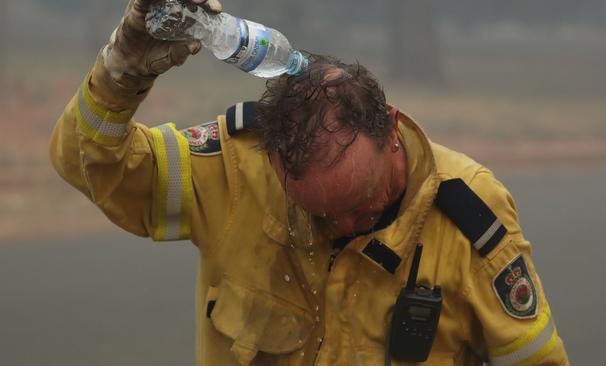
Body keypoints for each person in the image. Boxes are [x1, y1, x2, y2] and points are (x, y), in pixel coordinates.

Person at [50, 0, 570, 365]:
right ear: (271, 160)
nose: (343, 227)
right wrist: (122, 71)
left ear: (390, 128)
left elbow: (534, 360)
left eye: (360, 204)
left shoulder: (470, 211)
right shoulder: (233, 168)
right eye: (319, 212)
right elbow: (87, 162)